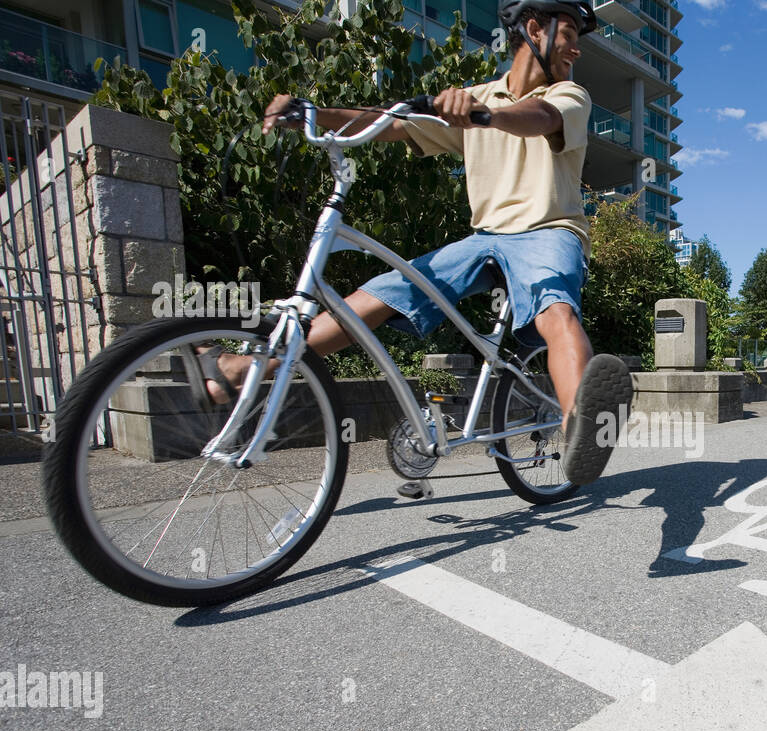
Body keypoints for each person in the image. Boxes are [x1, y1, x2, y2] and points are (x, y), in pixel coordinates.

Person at [200, 0, 632, 488]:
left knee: (555, 310)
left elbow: (540, 117)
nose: (576, 47)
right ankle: (250, 367)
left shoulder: (568, 93)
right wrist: (313, 113)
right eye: (569, 32)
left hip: (549, 231)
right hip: (485, 238)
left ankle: (582, 427)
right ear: (534, 28)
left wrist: (483, 115)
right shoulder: (474, 96)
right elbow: (393, 123)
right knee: (380, 293)